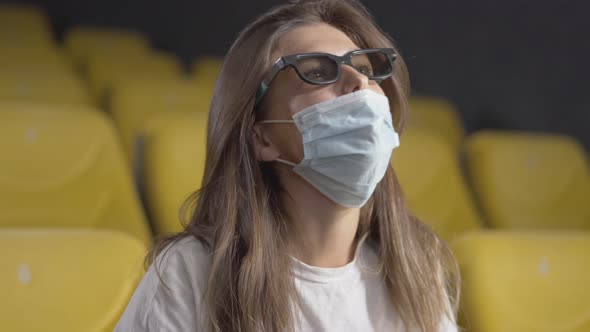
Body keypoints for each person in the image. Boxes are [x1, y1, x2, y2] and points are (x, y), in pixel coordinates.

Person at [116, 0, 461, 331]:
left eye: (367, 70)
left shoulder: (416, 270)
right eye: (317, 72)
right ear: (262, 138)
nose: (359, 83)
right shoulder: (189, 273)